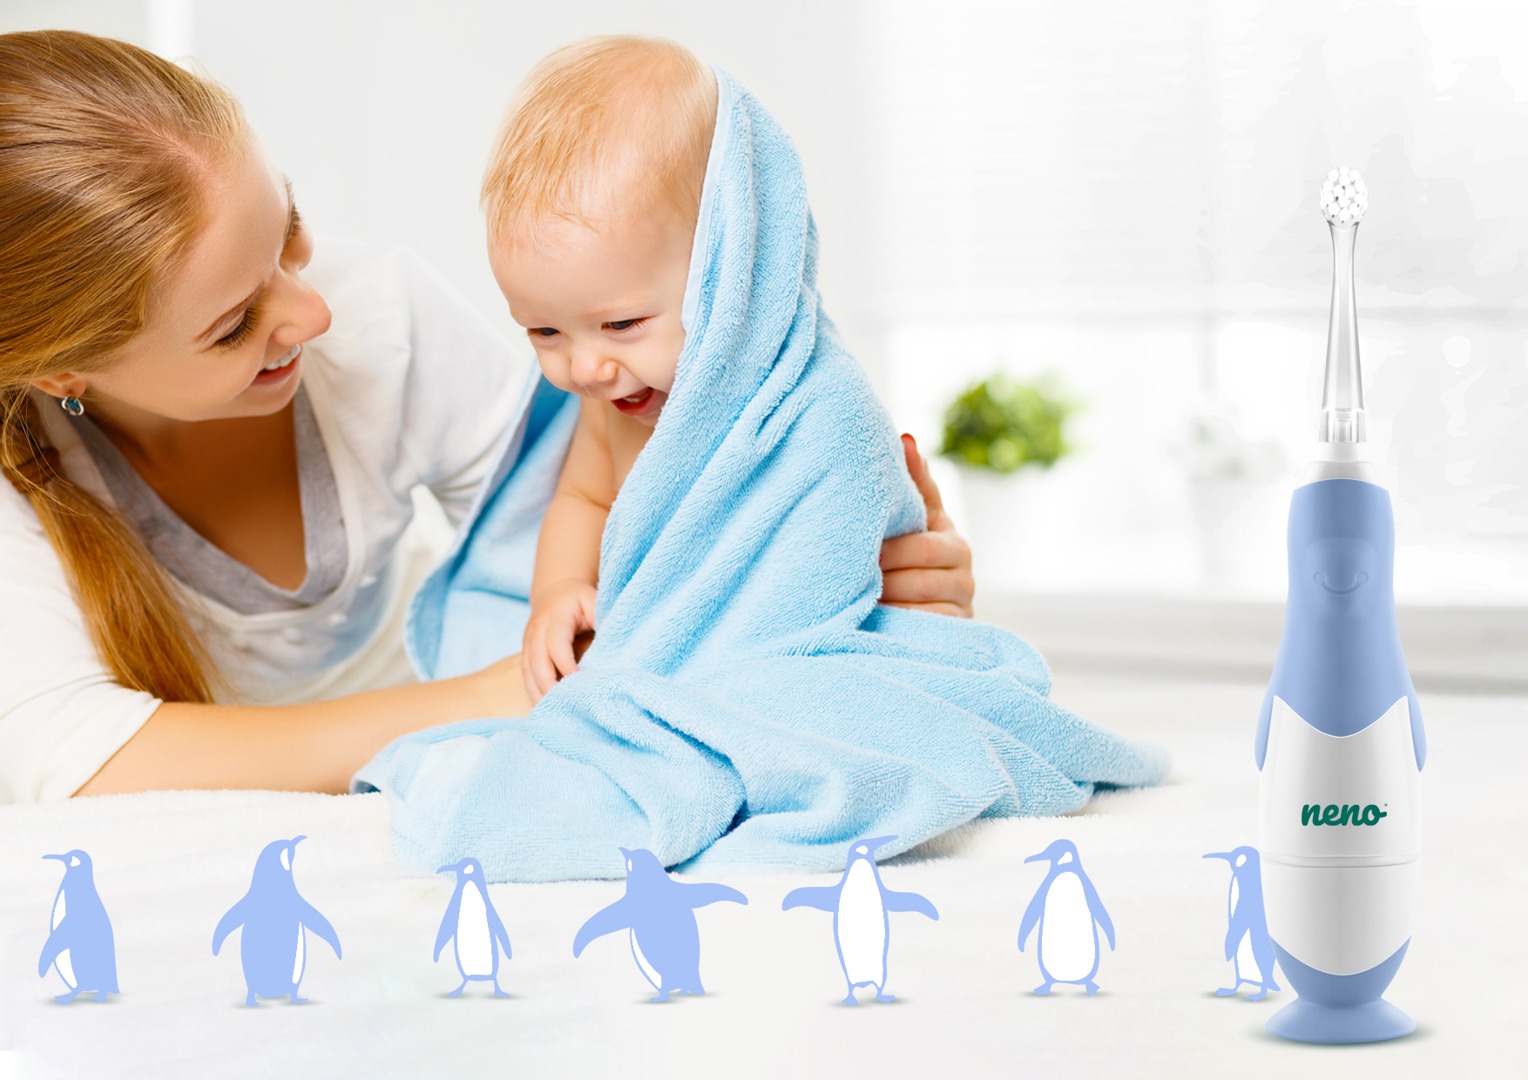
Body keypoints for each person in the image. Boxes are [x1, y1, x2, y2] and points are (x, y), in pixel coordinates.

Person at [0, 30, 975, 802]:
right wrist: (501, 699)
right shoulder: (24, 482)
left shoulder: (378, 316)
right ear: (60, 373)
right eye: (230, 326)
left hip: (463, 699)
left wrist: (843, 576)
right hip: (465, 716)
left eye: (289, 234)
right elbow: (78, 757)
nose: (312, 311)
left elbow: (621, 509)